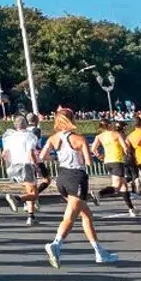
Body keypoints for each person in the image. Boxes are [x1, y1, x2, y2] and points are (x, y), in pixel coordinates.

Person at [38, 108, 119, 267]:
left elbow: (42, 156)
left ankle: (99, 251)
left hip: (62, 177)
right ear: (72, 119)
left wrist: (56, 158)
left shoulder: (53, 138)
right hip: (77, 178)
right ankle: (56, 244)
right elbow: (88, 162)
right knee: (70, 216)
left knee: (86, 215)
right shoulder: (78, 139)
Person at [2, 115, 44, 226]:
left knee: (29, 191)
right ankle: (16, 198)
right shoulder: (30, 136)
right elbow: (31, 153)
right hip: (26, 165)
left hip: (14, 166)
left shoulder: (9, 137)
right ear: (25, 124)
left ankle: (31, 216)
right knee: (34, 194)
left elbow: (4, 154)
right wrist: (36, 165)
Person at [92, 120, 135, 216]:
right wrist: (128, 153)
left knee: (124, 185)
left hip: (108, 161)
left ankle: (131, 208)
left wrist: (99, 156)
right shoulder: (116, 134)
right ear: (110, 125)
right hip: (117, 161)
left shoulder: (100, 136)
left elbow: (93, 149)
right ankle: (99, 193)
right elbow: (125, 147)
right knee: (116, 187)